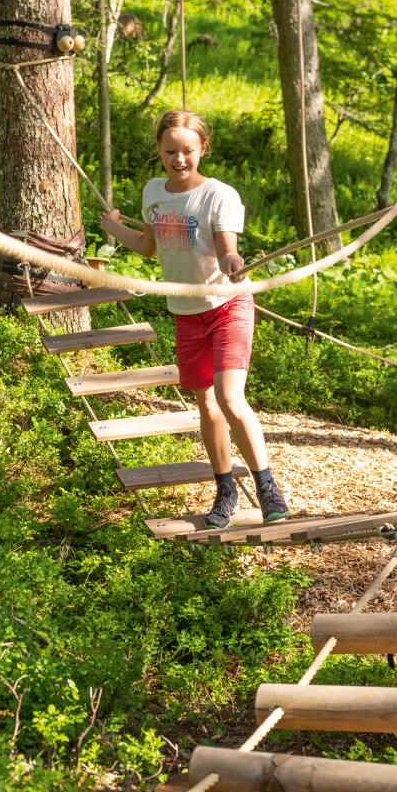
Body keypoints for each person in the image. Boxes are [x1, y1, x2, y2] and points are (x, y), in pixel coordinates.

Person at [100, 109, 290, 529]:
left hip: (227, 306)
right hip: (186, 314)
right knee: (206, 403)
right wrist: (113, 227)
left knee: (228, 397)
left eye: (188, 150)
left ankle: (266, 487)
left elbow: (226, 252)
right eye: (170, 151)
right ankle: (225, 491)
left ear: (203, 148)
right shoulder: (153, 191)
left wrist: (235, 263)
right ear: (159, 151)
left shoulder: (219, 195)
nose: (179, 160)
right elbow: (149, 247)